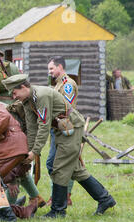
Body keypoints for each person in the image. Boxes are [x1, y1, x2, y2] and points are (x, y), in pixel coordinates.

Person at [2, 74, 116, 218]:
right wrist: (29, 151)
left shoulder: (41, 96)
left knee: (59, 170)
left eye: (14, 92)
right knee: (76, 171)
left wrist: (35, 152)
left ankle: (58, 210)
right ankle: (105, 199)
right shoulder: (27, 101)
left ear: (23, 87)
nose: (14, 96)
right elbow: (32, 129)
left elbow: (43, 126)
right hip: (61, 129)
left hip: (71, 127)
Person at [46, 56, 78, 206]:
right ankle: (61, 196)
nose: (50, 72)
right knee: (59, 164)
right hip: (57, 128)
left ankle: (62, 196)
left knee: (55, 164)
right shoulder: (58, 84)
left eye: (52, 68)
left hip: (65, 129)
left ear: (60, 67)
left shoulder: (67, 84)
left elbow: (65, 108)